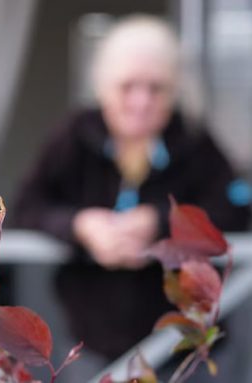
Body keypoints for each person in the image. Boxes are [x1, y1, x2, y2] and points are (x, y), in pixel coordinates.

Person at [13, 15, 251, 366]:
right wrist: (81, 226)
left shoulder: (196, 142)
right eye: (127, 87)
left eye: (156, 88)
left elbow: (235, 210)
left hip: (184, 350)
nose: (141, 102)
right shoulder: (74, 136)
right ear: (102, 87)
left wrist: (159, 222)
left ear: (174, 91)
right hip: (91, 345)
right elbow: (27, 205)